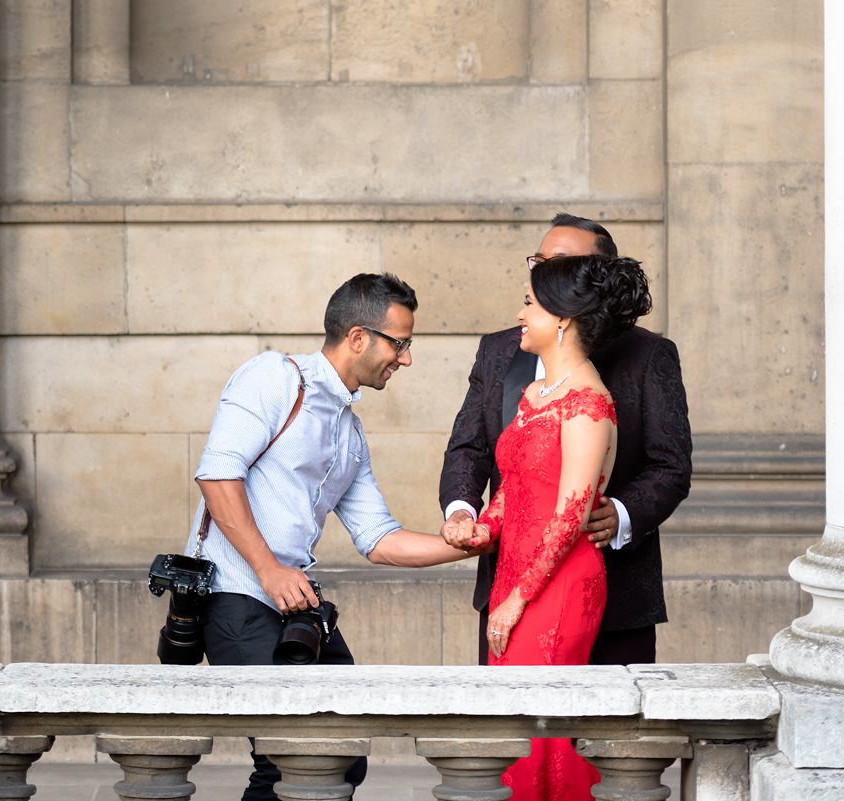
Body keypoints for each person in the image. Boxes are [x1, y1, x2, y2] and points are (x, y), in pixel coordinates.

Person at [187, 272, 473, 801]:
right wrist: (270, 569)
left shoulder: (349, 430)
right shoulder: (274, 377)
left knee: (341, 755)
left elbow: (379, 538)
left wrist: (472, 543)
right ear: (359, 337)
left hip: (294, 603)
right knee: (291, 758)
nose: (406, 359)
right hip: (237, 594)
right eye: (401, 343)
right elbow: (216, 476)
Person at [443, 254, 654, 798]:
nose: (520, 313)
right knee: (511, 723)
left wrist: (515, 599)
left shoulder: (588, 404)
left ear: (560, 319)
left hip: (557, 585)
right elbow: (512, 489)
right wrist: (482, 530)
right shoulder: (536, 396)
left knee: (544, 733)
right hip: (516, 575)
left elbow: (570, 515)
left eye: (529, 304)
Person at [439, 214, 692, 666]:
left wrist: (621, 514)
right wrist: (465, 515)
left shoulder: (649, 355)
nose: (541, 272)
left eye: (559, 264)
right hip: (506, 582)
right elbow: (470, 448)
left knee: (596, 731)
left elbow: (671, 465)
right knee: (511, 724)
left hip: (614, 597)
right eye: (538, 260)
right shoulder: (499, 350)